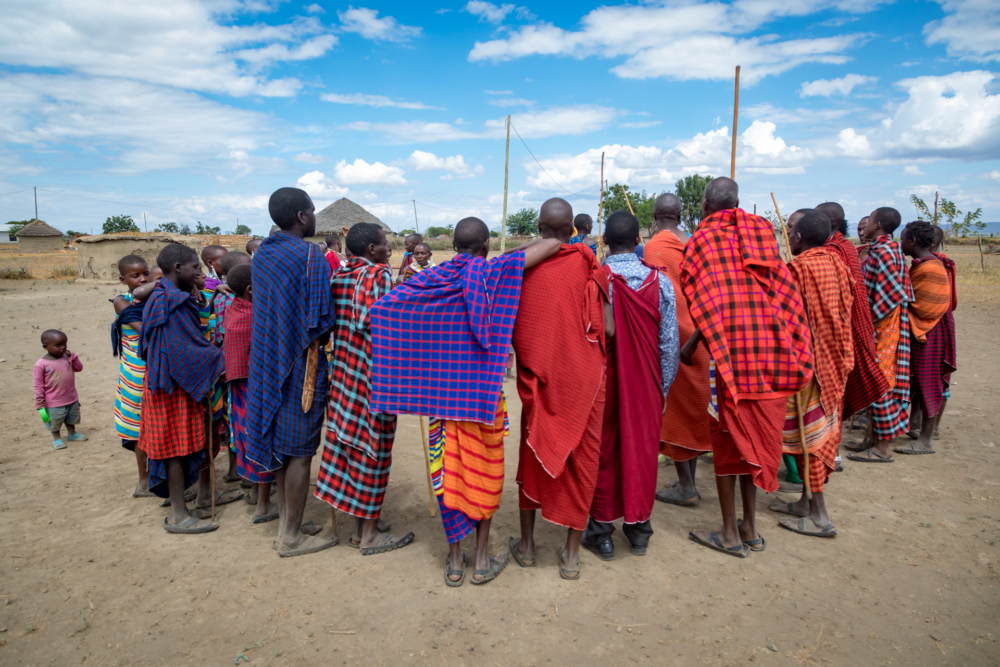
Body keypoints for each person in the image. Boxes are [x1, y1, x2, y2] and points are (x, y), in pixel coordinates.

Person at [371, 216, 562, 584]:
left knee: (450, 479)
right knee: (486, 475)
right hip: (483, 399)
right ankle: (482, 560)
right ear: (486, 245)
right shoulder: (494, 273)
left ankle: (456, 561)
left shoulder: (430, 278)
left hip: (444, 402)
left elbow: (382, 311)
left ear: (454, 246)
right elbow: (551, 244)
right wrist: (511, 252)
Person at [680, 178, 813, 557]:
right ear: (737, 204)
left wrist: (692, 344)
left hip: (731, 362)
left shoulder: (703, 243)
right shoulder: (763, 238)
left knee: (727, 440)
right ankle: (750, 527)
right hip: (773, 359)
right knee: (753, 440)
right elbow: (781, 295)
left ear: (705, 206)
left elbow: (707, 303)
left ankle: (729, 532)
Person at [509, 198, 613, 580]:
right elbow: (611, 329)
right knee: (583, 463)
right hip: (584, 383)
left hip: (539, 382)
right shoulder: (589, 264)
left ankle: (528, 547)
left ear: (538, 227)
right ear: (573, 228)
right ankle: (570, 556)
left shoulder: (518, 272)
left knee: (532, 455)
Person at [245, 187, 338, 557]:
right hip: (302, 364)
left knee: (282, 449)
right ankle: (291, 537)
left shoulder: (264, 252)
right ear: (302, 216)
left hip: (268, 362)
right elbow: (320, 320)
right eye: (313, 211)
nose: (315, 217)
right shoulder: (310, 256)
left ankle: (288, 522)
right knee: (300, 452)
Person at [583, 210, 679, 559]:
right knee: (641, 454)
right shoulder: (660, 282)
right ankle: (639, 532)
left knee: (603, 452)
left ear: (605, 240)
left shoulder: (595, 281)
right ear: (639, 241)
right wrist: (662, 390)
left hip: (604, 385)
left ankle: (601, 533)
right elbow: (669, 345)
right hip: (646, 386)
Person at [315, 223, 413, 555]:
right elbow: (381, 327)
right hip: (373, 379)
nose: (389, 249)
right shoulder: (379, 276)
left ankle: (362, 520)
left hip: (344, 377)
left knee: (353, 448)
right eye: (385, 244)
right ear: (372, 249)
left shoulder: (338, 278)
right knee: (374, 450)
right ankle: (368, 534)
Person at [770, 209, 855, 537]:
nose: (788, 234)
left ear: (800, 237)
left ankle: (819, 514)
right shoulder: (837, 262)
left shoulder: (799, 269)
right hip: (834, 362)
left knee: (812, 439)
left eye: (790, 229)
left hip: (811, 368)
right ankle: (806, 501)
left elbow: (783, 318)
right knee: (821, 433)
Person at [138, 243, 225, 533]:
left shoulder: (169, 294)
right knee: (174, 449)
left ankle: (182, 509)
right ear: (178, 269)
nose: (201, 272)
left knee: (181, 447)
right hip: (171, 389)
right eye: (196, 267)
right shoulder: (170, 302)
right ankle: (178, 516)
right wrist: (220, 358)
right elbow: (185, 351)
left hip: (168, 385)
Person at [643, 193, 712, 507]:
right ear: (681, 214)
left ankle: (687, 486)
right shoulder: (697, 242)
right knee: (694, 408)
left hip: (676, 340)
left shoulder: (654, 247)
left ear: (656, 216)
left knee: (677, 412)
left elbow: (655, 297)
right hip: (702, 335)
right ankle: (688, 480)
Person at [817, 202, 890, 468]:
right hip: (846, 329)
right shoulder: (844, 247)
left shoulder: (833, 251)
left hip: (836, 332)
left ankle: (827, 453)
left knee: (829, 393)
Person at [847, 207, 913, 463]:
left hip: (882, 329)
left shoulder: (884, 252)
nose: (865, 226)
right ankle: (871, 439)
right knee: (874, 383)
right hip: (881, 326)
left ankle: (882, 448)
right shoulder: (888, 249)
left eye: (870, 221)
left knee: (880, 385)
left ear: (878, 225)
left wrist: (866, 321)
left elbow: (890, 295)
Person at [223, 263, 277, 522]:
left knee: (246, 437)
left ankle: (256, 493)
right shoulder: (253, 317)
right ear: (252, 289)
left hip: (239, 387)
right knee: (261, 438)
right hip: (253, 388)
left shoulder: (234, 307)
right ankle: (264, 506)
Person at [896, 221, 955, 455]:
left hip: (930, 330)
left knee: (928, 381)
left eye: (902, 239)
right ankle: (916, 427)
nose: (900, 243)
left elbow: (925, 308)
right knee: (919, 380)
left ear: (912, 241)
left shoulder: (930, 268)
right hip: (926, 329)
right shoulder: (923, 265)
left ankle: (926, 440)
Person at [111, 255, 152, 495]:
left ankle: (159, 476)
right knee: (138, 430)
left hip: (156, 374)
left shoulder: (156, 298)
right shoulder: (121, 301)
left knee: (156, 426)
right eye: (135, 276)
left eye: (146, 273)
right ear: (122, 279)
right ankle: (143, 481)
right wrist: (161, 283)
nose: (143, 278)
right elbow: (143, 329)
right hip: (135, 377)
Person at [34, 329, 86, 450]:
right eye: (58, 345)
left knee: (71, 418)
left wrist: (73, 357)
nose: (62, 348)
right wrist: (40, 401)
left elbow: (79, 368)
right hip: (53, 402)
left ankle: (72, 434)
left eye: (64, 344)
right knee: (53, 422)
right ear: (45, 347)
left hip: (71, 397)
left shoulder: (66, 357)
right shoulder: (41, 364)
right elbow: (38, 384)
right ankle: (56, 439)